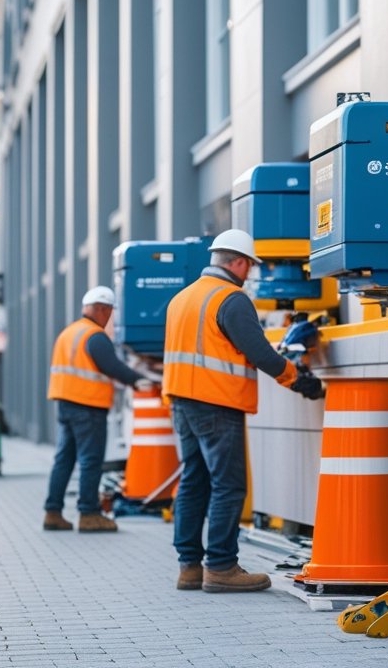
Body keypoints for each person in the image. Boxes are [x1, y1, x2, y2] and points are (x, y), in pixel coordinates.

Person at [163, 229, 324, 593]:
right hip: (216, 403)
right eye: (249, 266)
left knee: (194, 480)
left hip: (181, 401)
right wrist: (297, 379)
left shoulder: (181, 299)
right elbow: (260, 353)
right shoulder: (231, 299)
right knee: (228, 485)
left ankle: (189, 567)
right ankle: (220, 567)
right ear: (237, 262)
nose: (250, 273)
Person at [43, 286, 157, 533]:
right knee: (90, 460)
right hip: (87, 405)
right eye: (109, 312)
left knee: (64, 459)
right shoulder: (94, 336)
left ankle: (53, 512)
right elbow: (111, 365)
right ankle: (89, 514)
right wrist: (138, 380)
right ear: (102, 309)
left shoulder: (68, 333)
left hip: (64, 404)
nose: (110, 318)